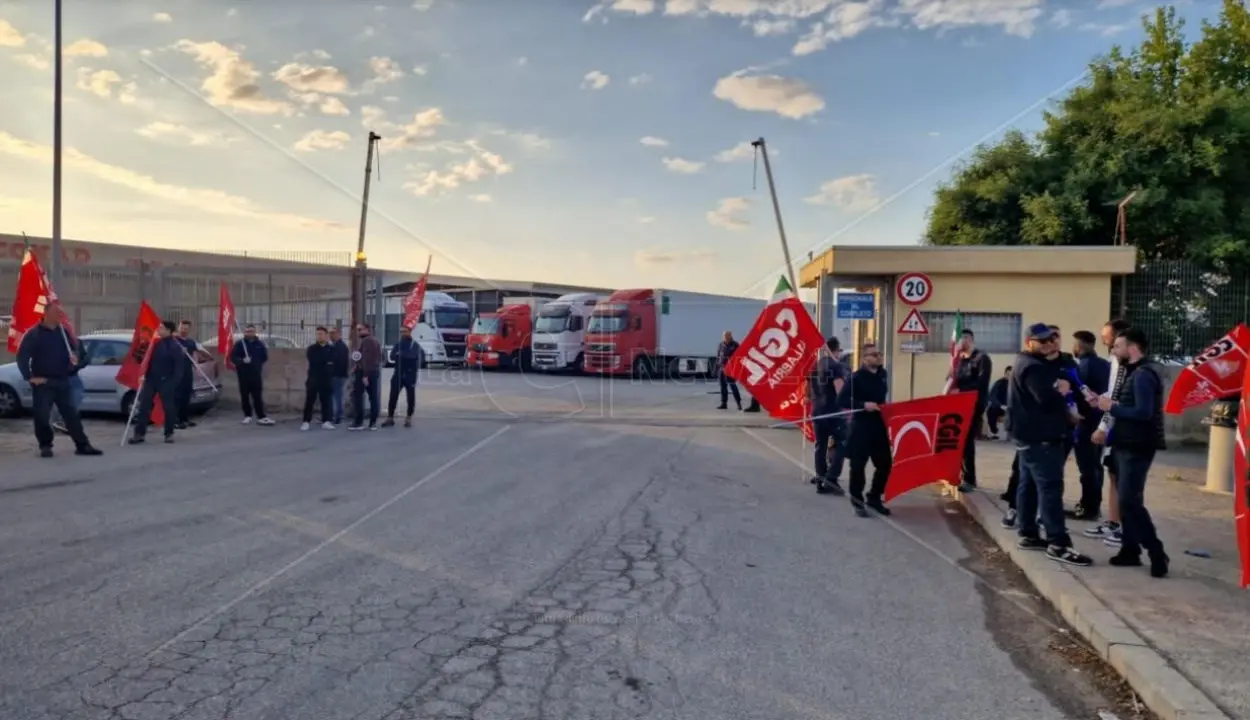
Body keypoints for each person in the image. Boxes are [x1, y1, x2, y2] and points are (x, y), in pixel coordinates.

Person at [1009, 323, 1092, 566]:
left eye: (1050, 340)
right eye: (1041, 341)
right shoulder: (1033, 367)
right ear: (1028, 343)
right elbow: (1045, 400)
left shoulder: (1028, 362)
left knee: (1029, 486)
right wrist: (1062, 391)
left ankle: (1027, 533)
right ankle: (1058, 544)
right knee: (1050, 490)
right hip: (1041, 438)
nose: (1047, 344)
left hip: (1028, 436)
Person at [1097, 326, 1168, 577]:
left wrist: (1112, 407)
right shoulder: (1132, 372)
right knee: (1127, 500)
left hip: (1137, 446)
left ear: (1132, 348)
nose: (1114, 350)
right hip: (1124, 444)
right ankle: (1130, 550)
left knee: (1129, 499)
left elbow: (1143, 412)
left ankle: (1156, 551)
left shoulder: (1143, 375)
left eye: (1118, 345)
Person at [16, 306, 102, 457]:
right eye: (56, 312)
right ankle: (45, 445)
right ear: (46, 314)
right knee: (42, 415)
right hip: (44, 383)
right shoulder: (34, 334)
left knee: (71, 415)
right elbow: (22, 357)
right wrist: (29, 377)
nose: (59, 315)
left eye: (60, 313)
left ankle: (82, 445)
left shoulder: (64, 333)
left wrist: (76, 363)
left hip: (63, 380)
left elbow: (79, 353)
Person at [1086, 318, 1132, 547]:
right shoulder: (1114, 360)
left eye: (1108, 336)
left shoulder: (1128, 364)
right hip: (1116, 426)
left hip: (1125, 430)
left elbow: (1118, 398)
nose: (1104, 339)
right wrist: (1100, 397)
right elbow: (1112, 392)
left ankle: (1127, 529)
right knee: (1113, 476)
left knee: (1125, 480)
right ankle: (1114, 522)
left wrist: (1102, 427)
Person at [840, 341, 891, 517]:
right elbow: (842, 400)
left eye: (880, 354)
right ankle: (857, 500)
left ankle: (874, 497)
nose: (879, 357)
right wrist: (863, 405)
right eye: (874, 355)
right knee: (858, 466)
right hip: (861, 426)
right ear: (865, 359)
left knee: (885, 464)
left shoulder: (883, 374)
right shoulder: (855, 378)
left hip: (878, 426)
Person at [1067, 330, 1111, 521]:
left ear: (1079, 346)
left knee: (1087, 468)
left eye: (1074, 345)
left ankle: (1088, 508)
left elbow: (1080, 396)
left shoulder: (1082, 367)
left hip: (1086, 422)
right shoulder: (1106, 365)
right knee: (1096, 467)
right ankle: (1092, 505)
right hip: (1102, 423)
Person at [128, 321, 183, 445]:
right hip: (150, 380)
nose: (159, 329)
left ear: (169, 331)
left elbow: (179, 367)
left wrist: (172, 383)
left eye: (162, 328)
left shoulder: (174, 346)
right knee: (144, 407)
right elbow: (145, 358)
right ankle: (139, 434)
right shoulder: (155, 343)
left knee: (168, 408)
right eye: (159, 327)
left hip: (166, 381)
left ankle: (169, 433)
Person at [951, 328, 992, 492]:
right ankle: (959, 474)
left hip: (974, 405)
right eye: (959, 340)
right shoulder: (959, 360)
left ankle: (969, 479)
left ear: (971, 339)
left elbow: (981, 383)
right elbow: (954, 379)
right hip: (959, 405)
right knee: (959, 441)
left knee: (967, 441)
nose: (962, 342)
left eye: (965, 339)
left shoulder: (982, 358)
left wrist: (961, 391)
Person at [808, 336, 849, 495]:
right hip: (833, 411)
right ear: (836, 350)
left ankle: (820, 477)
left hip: (817, 411)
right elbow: (840, 392)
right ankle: (831, 479)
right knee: (842, 443)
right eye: (839, 350)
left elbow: (810, 389)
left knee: (820, 445)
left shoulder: (815, 366)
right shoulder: (836, 366)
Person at [231, 324, 273, 426]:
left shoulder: (259, 344)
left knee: (257, 396)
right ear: (245, 332)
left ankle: (261, 416)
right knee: (245, 395)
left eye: (252, 331)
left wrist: (256, 363)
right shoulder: (240, 344)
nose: (250, 333)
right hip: (243, 374)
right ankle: (247, 415)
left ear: (255, 332)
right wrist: (242, 361)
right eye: (248, 331)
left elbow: (264, 357)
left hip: (255, 374)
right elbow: (233, 357)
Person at [384, 325, 424, 428]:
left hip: (410, 375)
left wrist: (401, 354)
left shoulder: (415, 345)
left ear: (410, 332)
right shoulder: (398, 344)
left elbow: (415, 357)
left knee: (410, 397)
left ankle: (408, 417)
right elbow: (392, 356)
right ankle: (390, 417)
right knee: (393, 396)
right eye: (401, 331)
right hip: (398, 374)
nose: (402, 334)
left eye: (405, 331)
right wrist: (401, 354)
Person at [51, 332, 88, 435]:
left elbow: (86, 358)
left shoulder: (77, 342)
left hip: (73, 376)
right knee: (59, 401)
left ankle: (68, 423)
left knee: (76, 398)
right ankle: (58, 423)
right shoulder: (54, 342)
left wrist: (78, 365)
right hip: (59, 377)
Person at [349, 322, 384, 431]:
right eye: (357, 330)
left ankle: (360, 422)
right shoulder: (373, 341)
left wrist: (365, 375)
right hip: (370, 371)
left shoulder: (368, 341)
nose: (358, 332)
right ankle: (372, 423)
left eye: (361, 329)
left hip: (366, 373)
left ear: (367, 330)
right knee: (372, 396)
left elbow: (368, 360)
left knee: (359, 396)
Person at [302, 326, 336, 431]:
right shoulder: (312, 349)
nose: (319, 336)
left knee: (326, 401)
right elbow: (315, 361)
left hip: (326, 379)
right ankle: (306, 421)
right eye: (317, 334)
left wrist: (327, 363)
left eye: (321, 334)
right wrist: (326, 362)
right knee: (310, 401)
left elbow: (334, 361)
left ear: (326, 336)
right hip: (314, 378)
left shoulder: (331, 348)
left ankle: (326, 421)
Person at [173, 320, 198, 430]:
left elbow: (193, 355)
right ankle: (175, 420)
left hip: (187, 371)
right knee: (176, 397)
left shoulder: (191, 342)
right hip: (176, 372)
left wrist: (195, 363)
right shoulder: (174, 340)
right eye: (182, 328)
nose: (184, 330)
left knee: (186, 396)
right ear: (179, 328)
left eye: (186, 328)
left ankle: (184, 418)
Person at [715, 330, 743, 411]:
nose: (725, 337)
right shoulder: (721, 345)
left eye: (727, 336)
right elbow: (718, 357)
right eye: (724, 336)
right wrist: (717, 369)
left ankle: (739, 403)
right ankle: (724, 403)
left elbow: (739, 357)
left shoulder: (735, 345)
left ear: (730, 336)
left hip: (731, 370)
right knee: (723, 387)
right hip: (721, 369)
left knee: (733, 386)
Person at [329, 327, 350, 425]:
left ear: (339, 334)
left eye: (333, 333)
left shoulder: (340, 347)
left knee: (336, 396)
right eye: (330, 333)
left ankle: (337, 416)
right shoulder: (337, 346)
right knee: (338, 396)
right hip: (339, 375)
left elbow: (339, 362)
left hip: (338, 375)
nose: (331, 335)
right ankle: (338, 416)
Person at [985, 367, 1010, 439]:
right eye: (1008, 374)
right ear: (1005, 374)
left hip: (1012, 407)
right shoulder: (999, 383)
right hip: (1000, 407)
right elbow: (993, 396)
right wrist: (1001, 405)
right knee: (991, 411)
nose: (1009, 377)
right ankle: (994, 431)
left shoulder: (1016, 384)